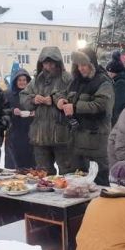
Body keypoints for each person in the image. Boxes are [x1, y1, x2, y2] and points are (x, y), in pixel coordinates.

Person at [56, 48, 114, 185]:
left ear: (92, 64)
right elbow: (62, 93)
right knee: (76, 184)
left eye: (84, 65)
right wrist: (59, 100)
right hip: (76, 142)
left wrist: (75, 108)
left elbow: (102, 106)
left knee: (98, 183)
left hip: (96, 142)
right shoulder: (76, 81)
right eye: (78, 65)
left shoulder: (103, 82)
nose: (81, 68)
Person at [19, 47, 73, 175]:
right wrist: (33, 99)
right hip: (40, 136)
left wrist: (54, 100)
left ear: (58, 62)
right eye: (45, 62)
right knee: (43, 174)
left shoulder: (67, 79)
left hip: (62, 135)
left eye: (51, 62)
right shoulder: (37, 80)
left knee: (67, 172)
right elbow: (23, 96)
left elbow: (73, 98)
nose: (48, 65)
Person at [4, 68, 36, 169]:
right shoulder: (8, 94)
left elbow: (40, 109)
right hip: (14, 133)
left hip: (30, 133)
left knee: (30, 164)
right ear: (15, 81)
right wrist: (12, 111)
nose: (22, 82)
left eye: (24, 80)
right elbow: (2, 110)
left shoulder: (33, 95)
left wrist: (35, 113)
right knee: (14, 164)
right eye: (19, 80)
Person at [106, 50, 125, 127]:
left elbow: (115, 105)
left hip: (121, 121)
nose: (107, 74)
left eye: (108, 72)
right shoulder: (124, 81)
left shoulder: (121, 84)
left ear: (112, 72)